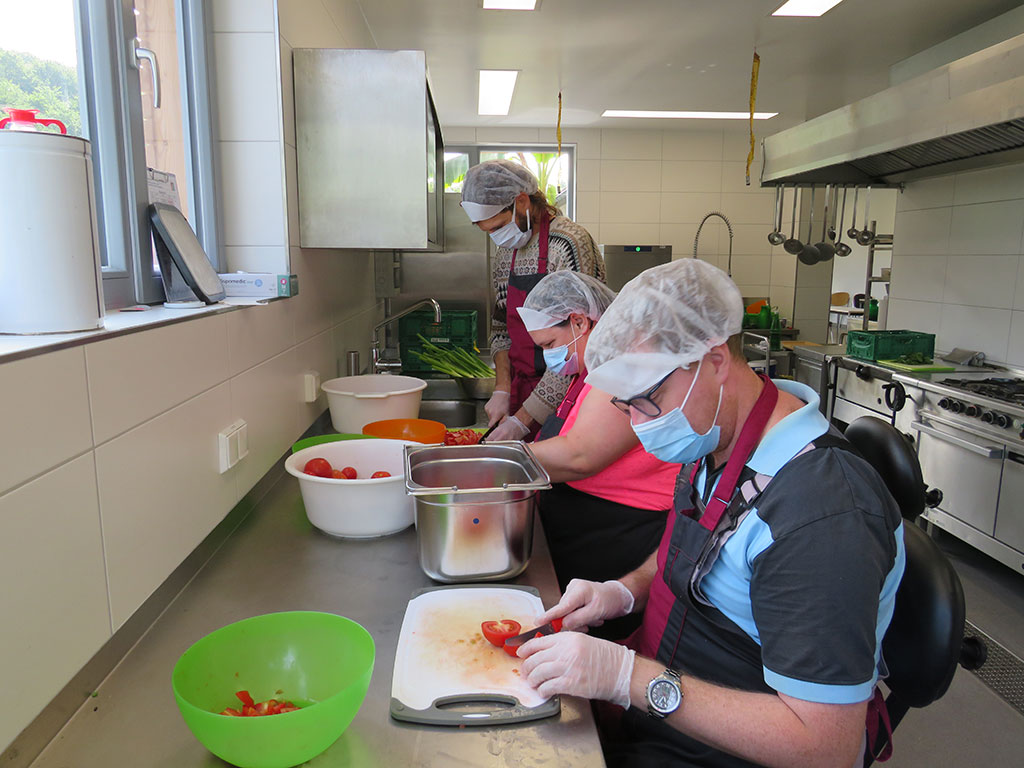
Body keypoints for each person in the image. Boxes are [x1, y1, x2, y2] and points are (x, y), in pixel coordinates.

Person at [514, 259, 906, 768]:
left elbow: (825, 747)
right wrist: (622, 593)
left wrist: (626, 677)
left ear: (715, 360)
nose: (637, 423)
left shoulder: (823, 514)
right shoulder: (713, 443)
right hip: (661, 712)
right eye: (623, 405)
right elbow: (694, 548)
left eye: (647, 400)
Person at [517, 271, 680, 639]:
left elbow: (581, 455)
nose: (548, 357)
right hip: (588, 533)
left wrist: (500, 458)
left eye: (550, 343)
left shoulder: (625, 362)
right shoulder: (595, 364)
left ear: (579, 320)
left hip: (622, 537)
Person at [460, 159, 604, 441]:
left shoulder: (568, 243)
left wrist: (522, 421)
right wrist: (503, 388)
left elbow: (578, 345)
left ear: (522, 201)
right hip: (522, 391)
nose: (496, 237)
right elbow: (501, 329)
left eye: (499, 226)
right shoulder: (506, 253)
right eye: (488, 232)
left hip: (568, 392)